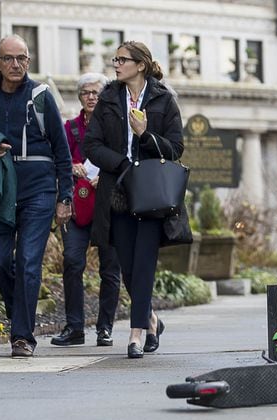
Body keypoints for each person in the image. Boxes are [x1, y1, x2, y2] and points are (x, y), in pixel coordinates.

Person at [0, 34, 73, 357]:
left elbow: (62, 151)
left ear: (29, 60)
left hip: (38, 189)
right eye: (9, 59)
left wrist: (64, 195)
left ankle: (22, 337)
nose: (16, 65)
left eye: (22, 58)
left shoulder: (41, 96)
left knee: (28, 261)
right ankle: (19, 313)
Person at [84, 41, 184, 358]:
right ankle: (151, 320)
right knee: (126, 265)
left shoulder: (164, 100)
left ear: (140, 65)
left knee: (144, 264)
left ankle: (136, 333)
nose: (115, 64)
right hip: (117, 191)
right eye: (115, 59)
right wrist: (122, 163)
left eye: (121, 59)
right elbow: (92, 145)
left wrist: (145, 136)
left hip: (152, 191)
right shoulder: (108, 99)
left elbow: (176, 148)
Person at [51, 73, 121, 348]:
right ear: (79, 97)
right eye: (86, 93)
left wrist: (106, 174)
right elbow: (58, 159)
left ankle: (105, 328)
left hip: (109, 207)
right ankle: (75, 328)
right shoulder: (69, 128)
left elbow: (124, 159)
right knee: (72, 262)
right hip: (77, 207)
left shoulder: (115, 126)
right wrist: (70, 167)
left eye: (96, 92)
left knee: (110, 269)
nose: (91, 97)